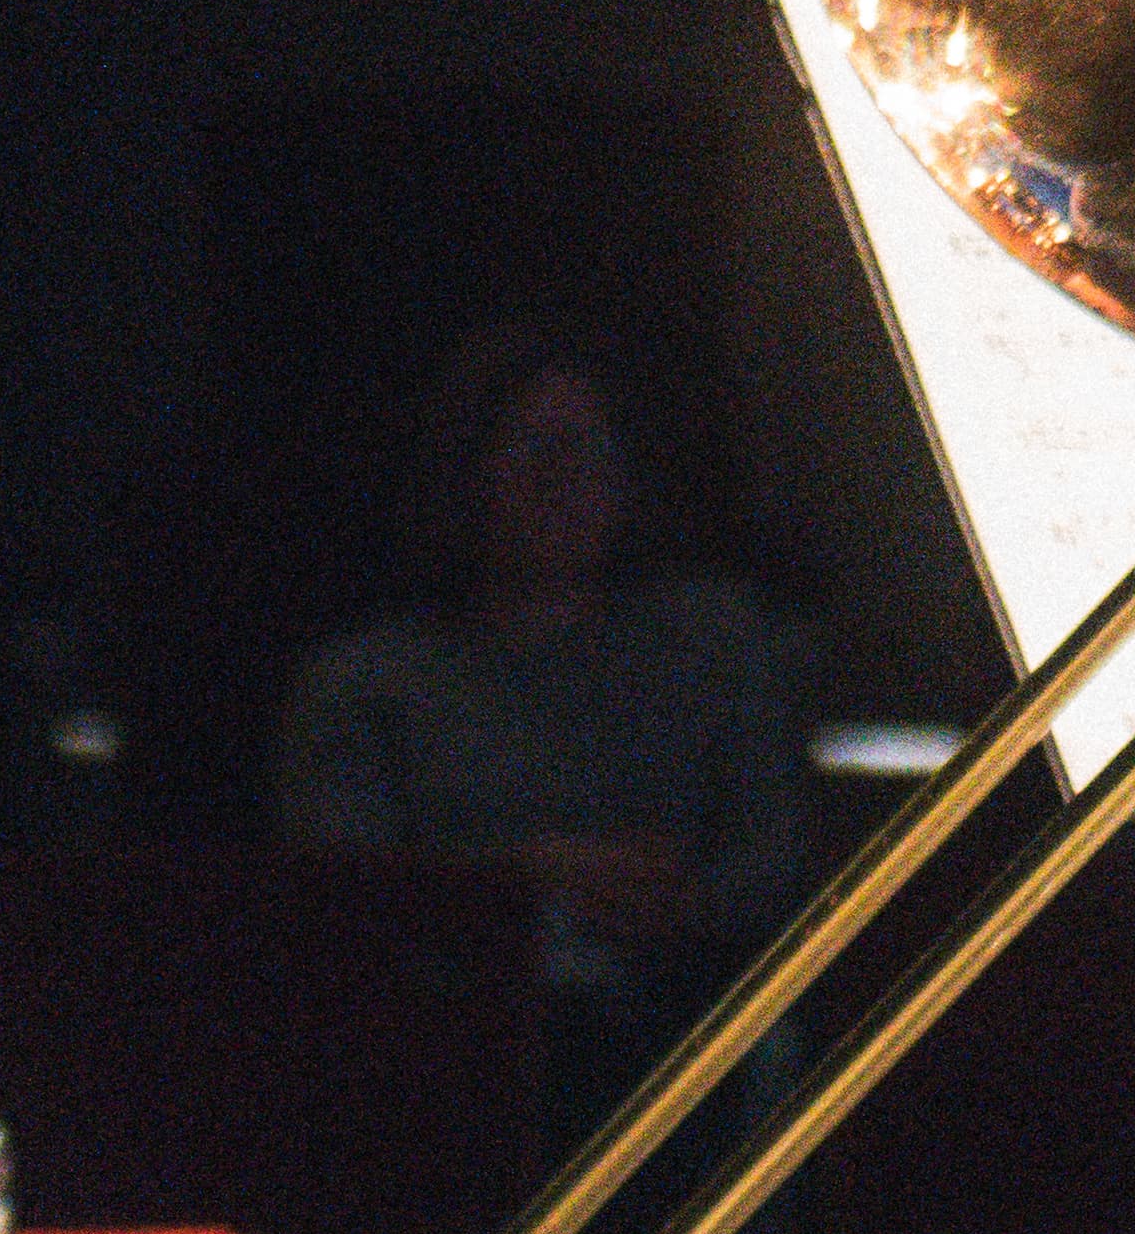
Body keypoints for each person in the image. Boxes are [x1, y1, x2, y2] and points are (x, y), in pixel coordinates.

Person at [277, 323, 808, 1125]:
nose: (563, 482)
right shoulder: (368, 685)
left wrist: (678, 912)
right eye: (534, 448)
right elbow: (343, 895)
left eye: (589, 449)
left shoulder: (712, 648)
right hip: (444, 1048)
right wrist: (526, 883)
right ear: (469, 472)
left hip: (673, 1036)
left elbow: (771, 860)